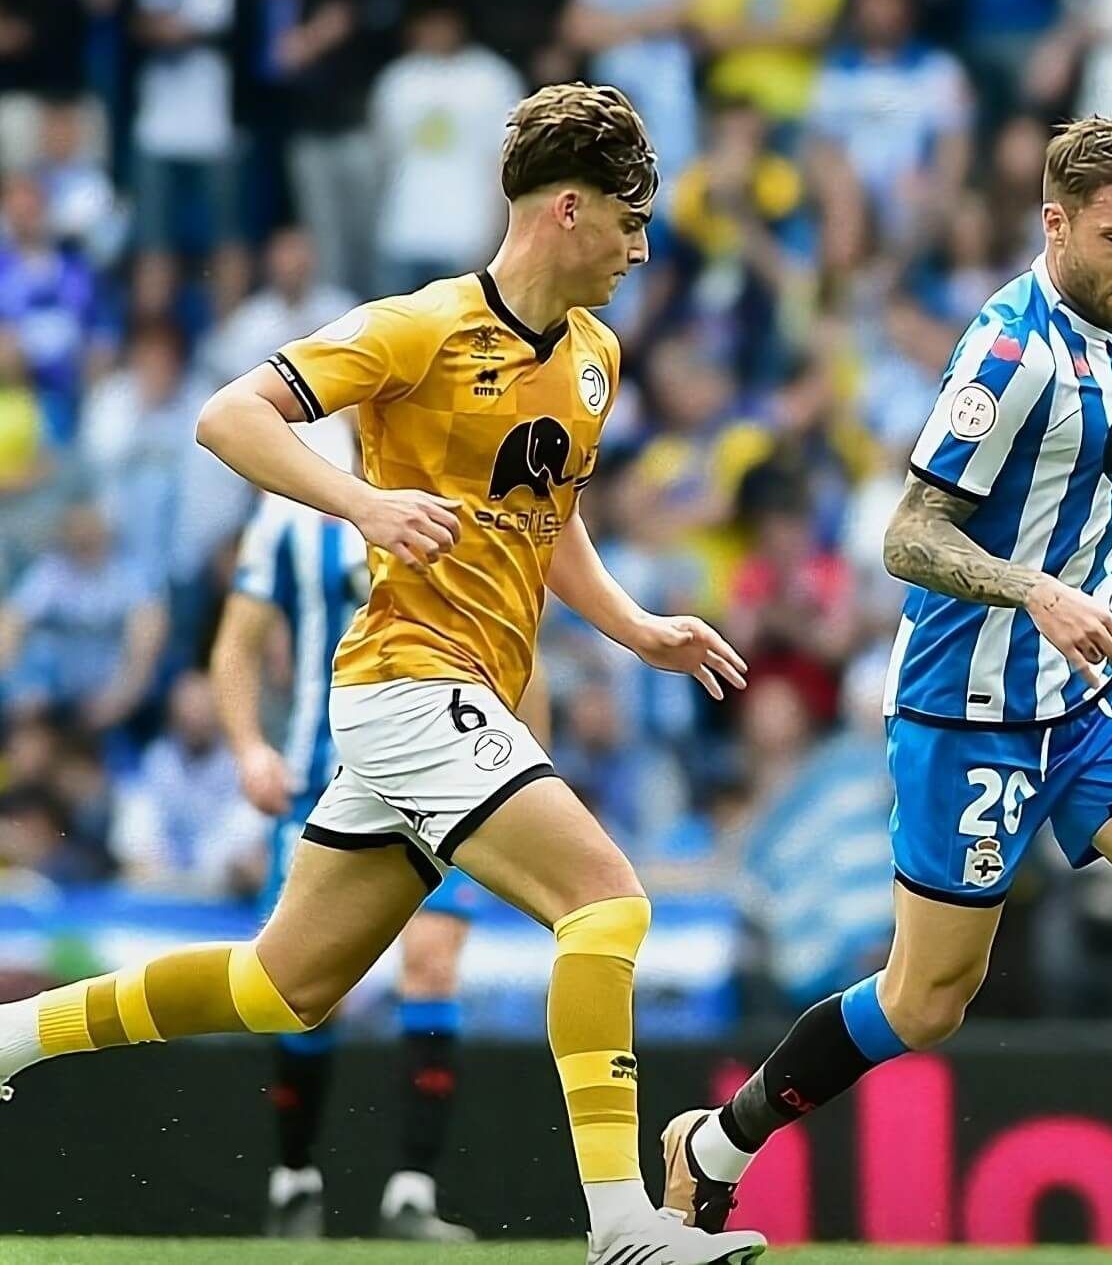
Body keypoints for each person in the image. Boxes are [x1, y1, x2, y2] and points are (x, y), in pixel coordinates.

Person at [0, 83, 765, 1265]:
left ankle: (16, 1038)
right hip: (405, 682)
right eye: (629, 220)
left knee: (280, 987)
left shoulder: (597, 359)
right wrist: (363, 499)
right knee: (605, 902)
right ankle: (624, 1224)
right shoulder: (417, 327)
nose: (640, 247)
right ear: (569, 209)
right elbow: (226, 414)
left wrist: (632, 626)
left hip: (455, 695)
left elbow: (547, 518)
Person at [657, 116, 1112, 1265]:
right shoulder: (1005, 355)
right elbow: (911, 535)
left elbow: (1110, 491)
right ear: (1053, 222)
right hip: (968, 709)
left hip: (1090, 702)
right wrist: (1035, 592)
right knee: (925, 999)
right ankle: (716, 1145)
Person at [213, 459, 545, 1241]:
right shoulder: (294, 516)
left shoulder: (470, 491)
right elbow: (236, 647)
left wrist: (533, 772)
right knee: (298, 988)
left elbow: (525, 643)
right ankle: (294, 1174)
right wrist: (249, 747)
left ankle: (412, 1192)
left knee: (431, 962)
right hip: (319, 780)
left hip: (449, 771)